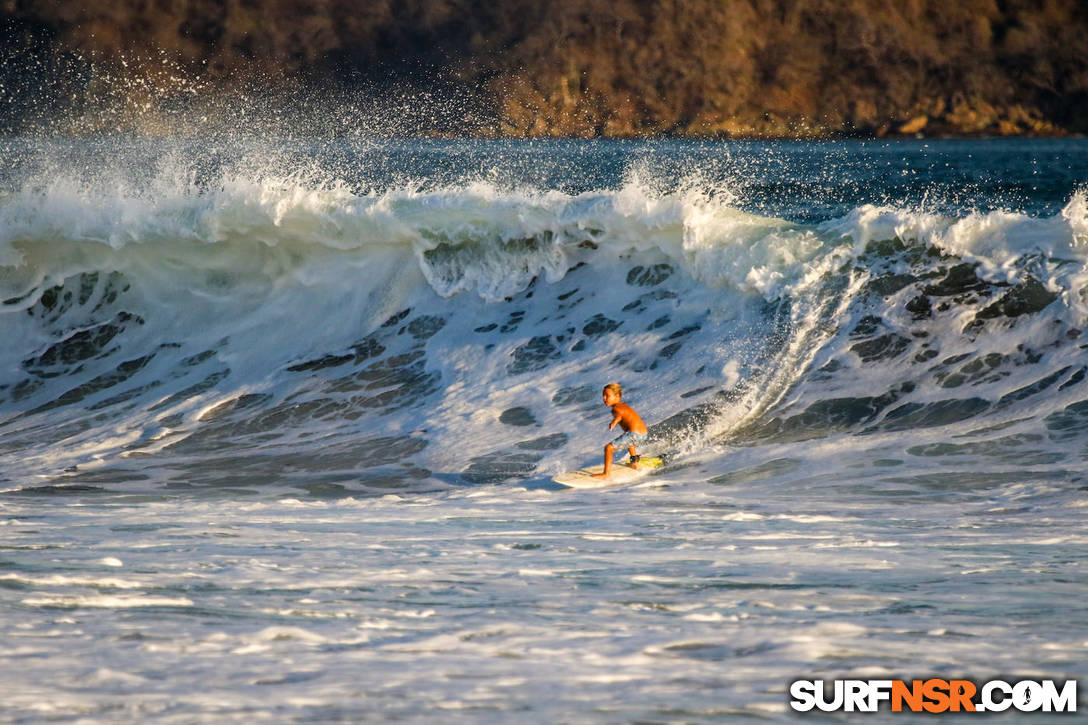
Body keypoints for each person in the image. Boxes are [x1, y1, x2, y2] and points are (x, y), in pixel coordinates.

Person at [591, 382, 649, 478]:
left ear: (617, 396)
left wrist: (614, 422)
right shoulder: (624, 405)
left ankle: (606, 474)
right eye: (603, 396)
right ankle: (634, 462)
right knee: (628, 441)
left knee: (608, 448)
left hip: (634, 434)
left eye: (607, 396)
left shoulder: (616, 408)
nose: (604, 398)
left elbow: (619, 414)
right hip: (643, 434)